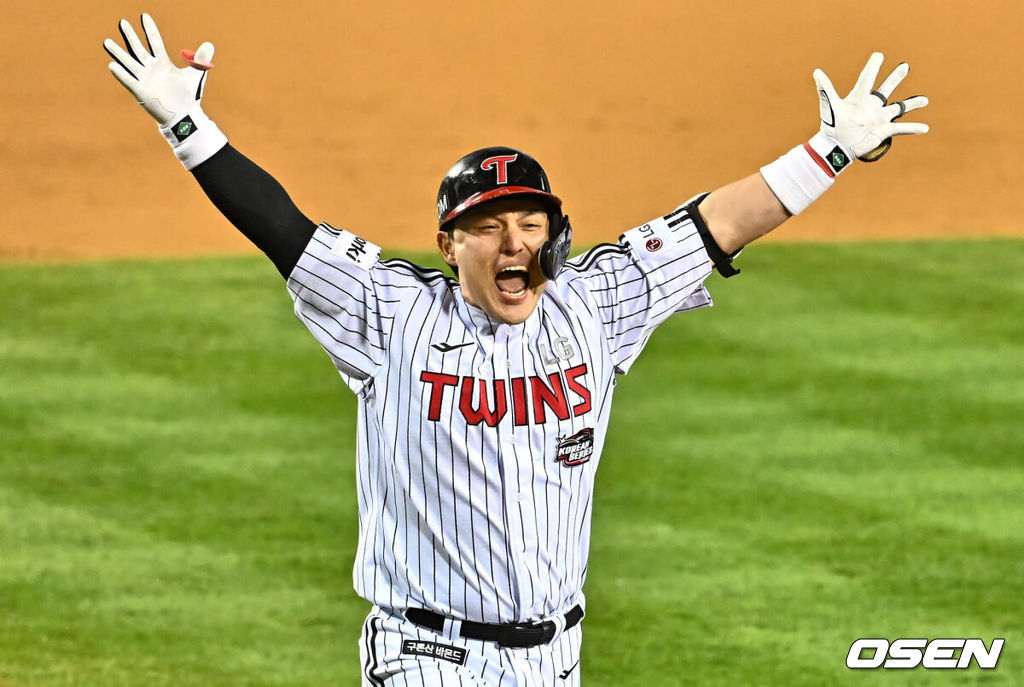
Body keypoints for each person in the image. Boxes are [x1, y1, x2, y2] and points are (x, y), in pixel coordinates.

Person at [104, 14, 928, 686]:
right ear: (448, 242)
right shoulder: (389, 315)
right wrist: (189, 125)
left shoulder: (596, 303)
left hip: (554, 659)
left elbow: (717, 224)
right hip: (425, 655)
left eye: (532, 224)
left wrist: (831, 152)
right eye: (490, 226)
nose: (515, 243)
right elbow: (285, 231)